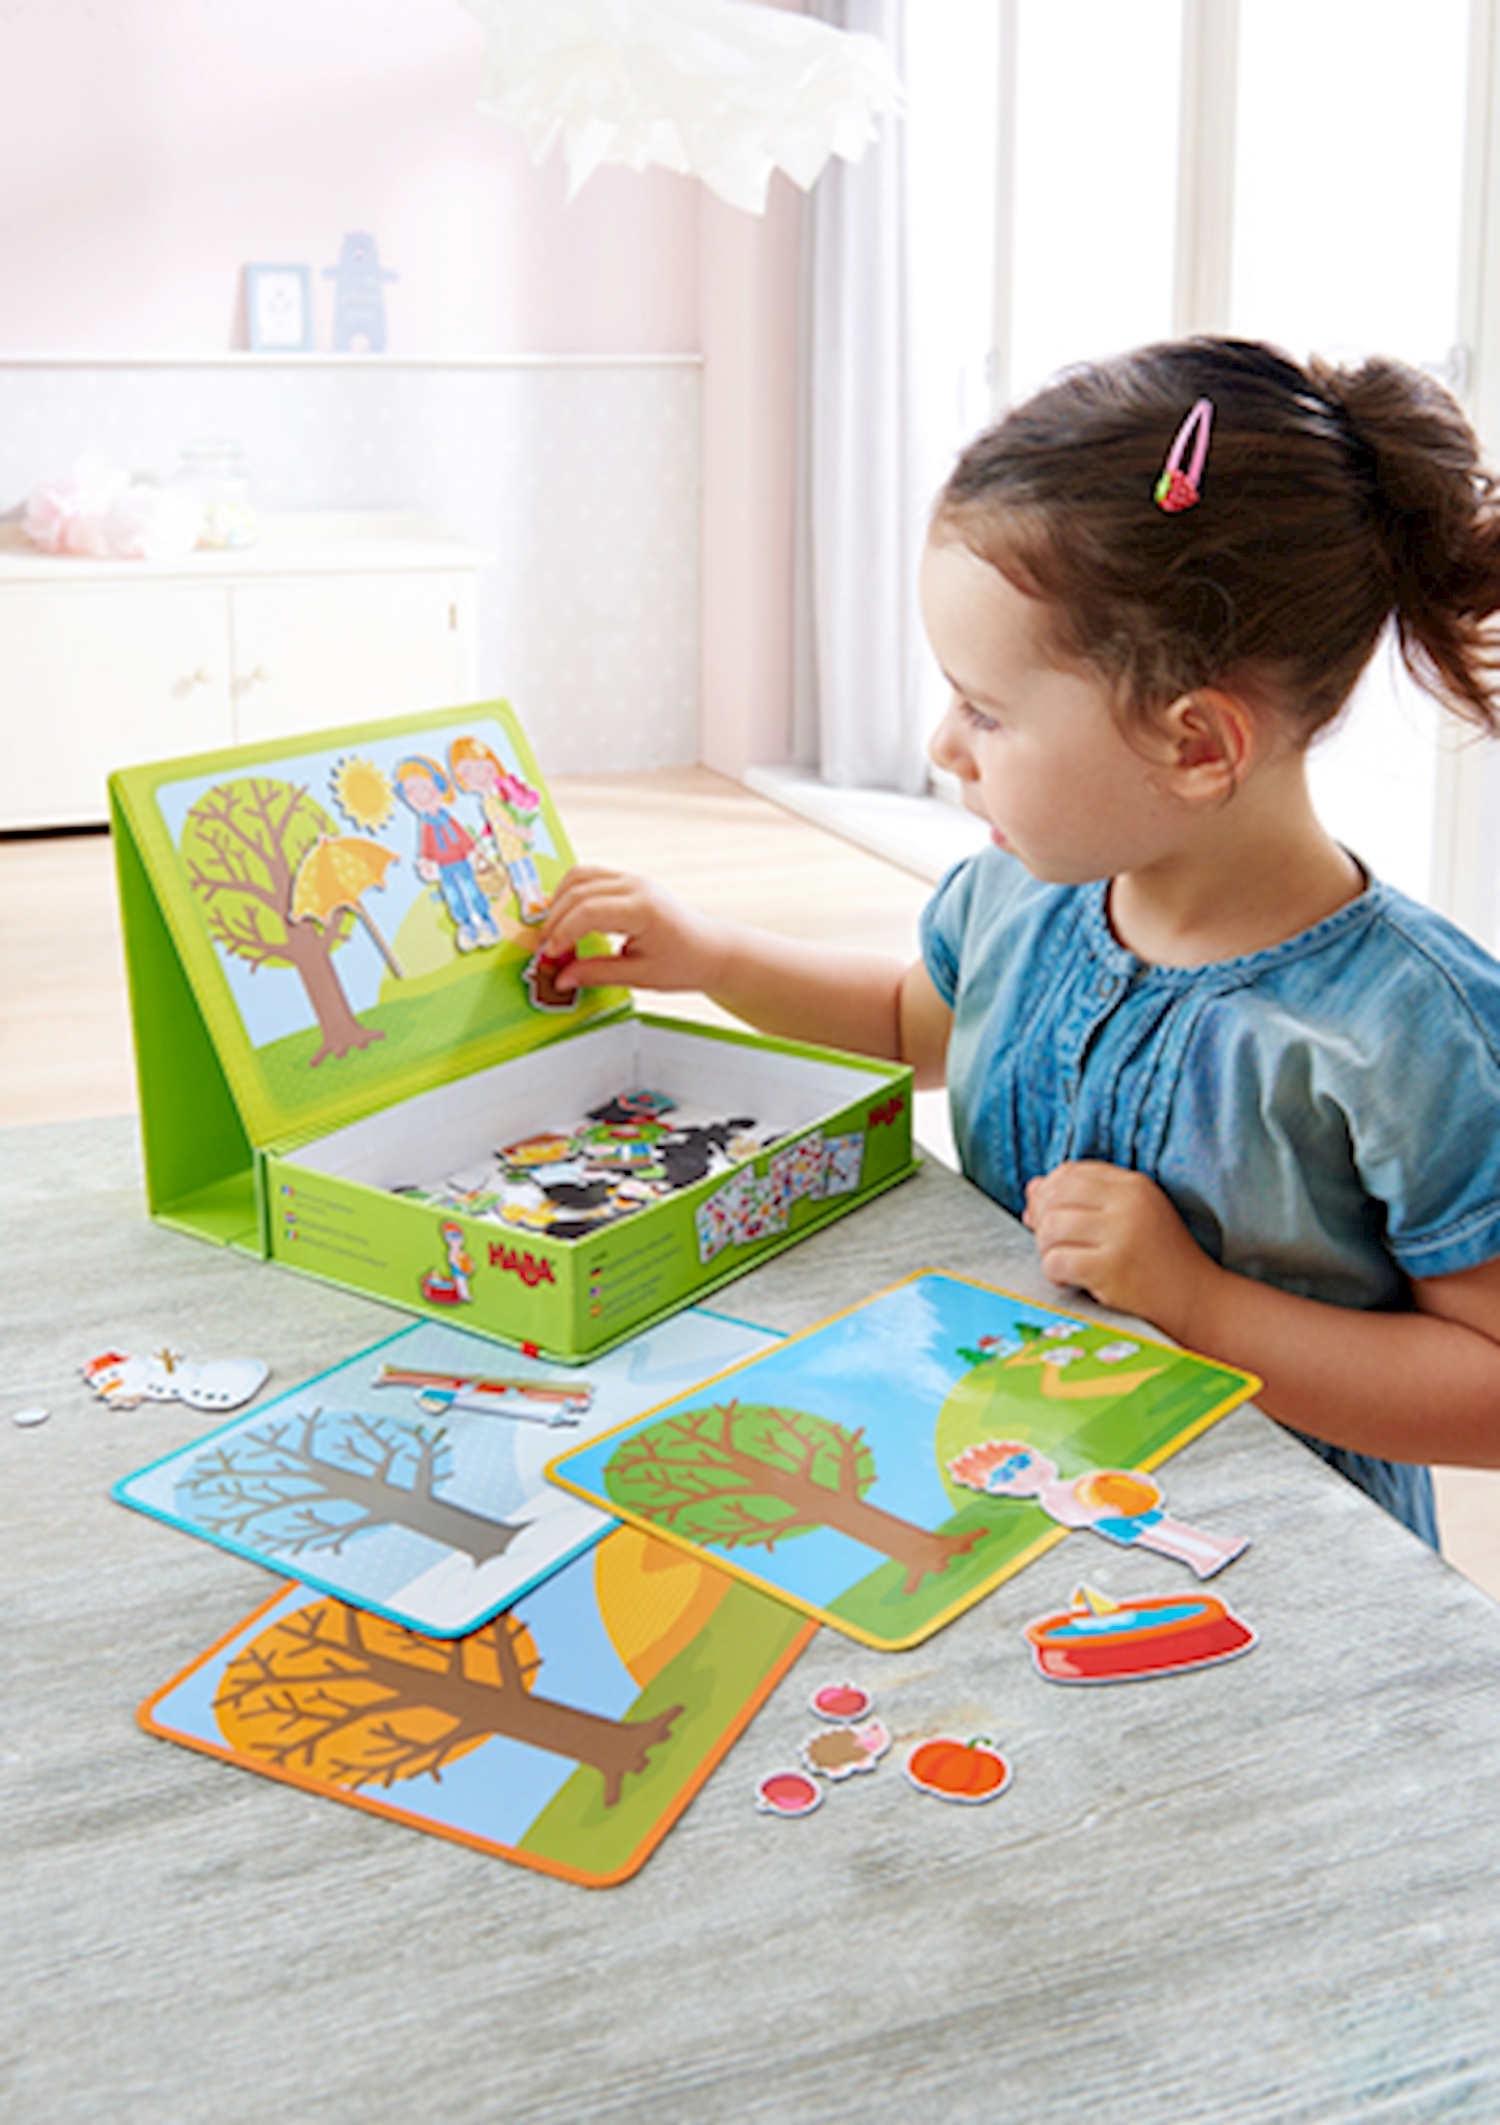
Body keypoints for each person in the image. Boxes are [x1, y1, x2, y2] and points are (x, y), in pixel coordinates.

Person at [537, 337, 1500, 1542]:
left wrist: (1199, 1303)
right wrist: (713, 956)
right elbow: (909, 1023)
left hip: (1267, 1554)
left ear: (1197, 745)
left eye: (985, 710)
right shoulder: (1021, 896)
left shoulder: (1411, 1030)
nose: (944, 745)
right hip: (1005, 1487)